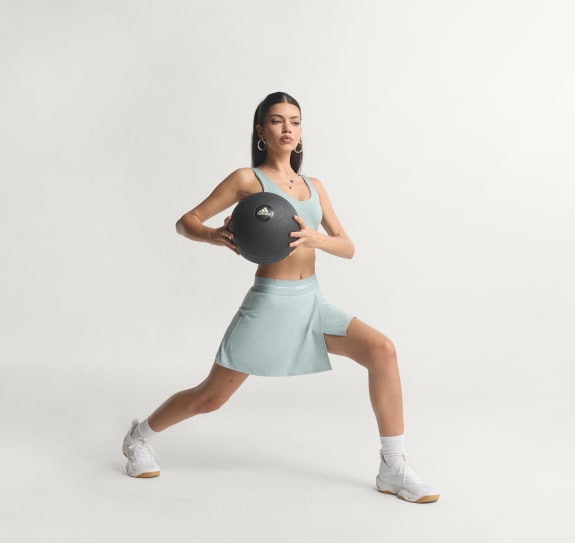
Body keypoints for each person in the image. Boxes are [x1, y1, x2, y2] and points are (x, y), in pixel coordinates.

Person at [122, 91, 439, 503]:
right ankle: (138, 436)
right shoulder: (246, 180)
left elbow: (347, 246)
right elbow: (187, 222)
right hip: (270, 302)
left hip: (312, 302)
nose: (287, 128)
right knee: (210, 398)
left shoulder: (314, 186)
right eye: (277, 120)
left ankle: (393, 468)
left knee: (383, 351)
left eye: (295, 121)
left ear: (301, 131)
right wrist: (214, 236)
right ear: (261, 131)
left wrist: (315, 238)